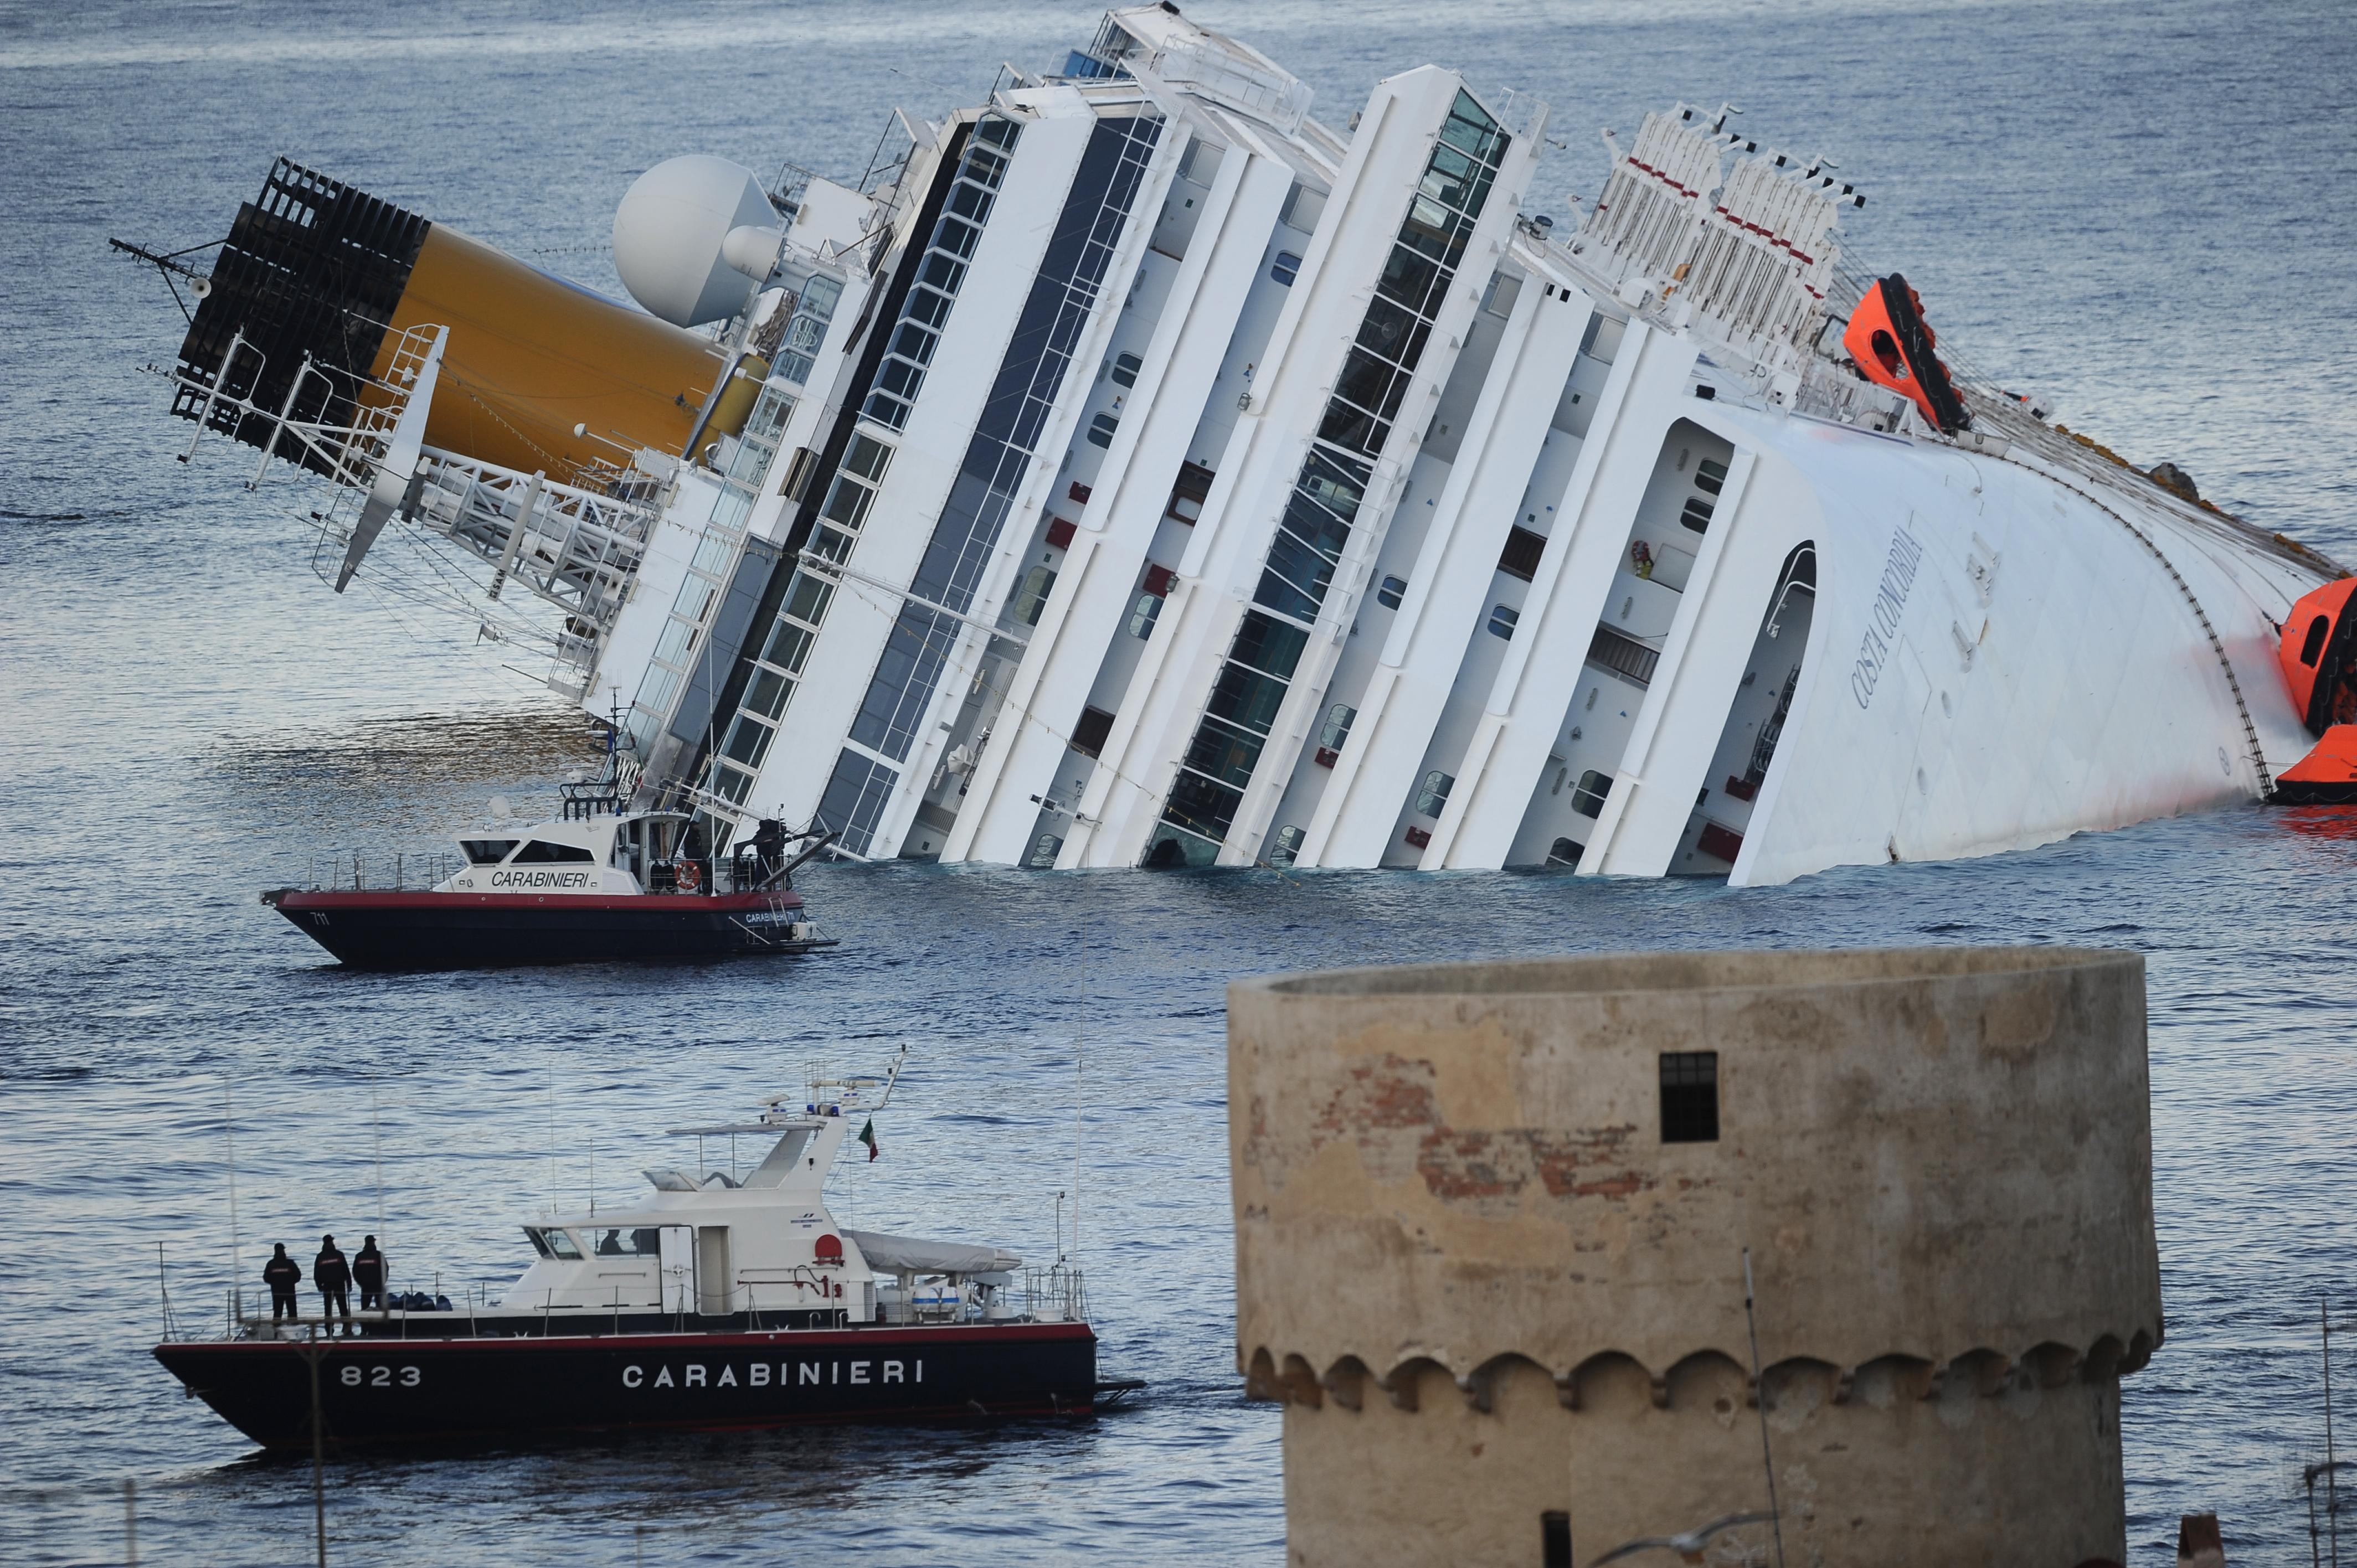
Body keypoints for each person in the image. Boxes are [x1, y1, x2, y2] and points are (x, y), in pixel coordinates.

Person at [314, 1234, 352, 1334]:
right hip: (338, 1284)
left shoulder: (321, 1257)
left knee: (329, 1309)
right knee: (342, 1308)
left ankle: (330, 1330)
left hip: (328, 1286)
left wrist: (319, 1285)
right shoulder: (339, 1255)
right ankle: (346, 1328)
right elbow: (346, 1271)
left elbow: (316, 1274)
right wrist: (349, 1283)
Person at [263, 1244, 302, 1322]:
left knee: (277, 1313)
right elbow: (298, 1276)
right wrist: (291, 1283)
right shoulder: (290, 1263)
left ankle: (276, 1332)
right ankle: (293, 1330)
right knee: (292, 1313)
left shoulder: (271, 1264)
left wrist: (275, 1283)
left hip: (277, 1292)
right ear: (283, 1251)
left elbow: (266, 1278)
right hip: (290, 1291)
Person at [353, 1235, 386, 1314]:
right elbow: (386, 1270)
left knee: (364, 1309)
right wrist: (382, 1282)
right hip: (378, 1285)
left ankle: (365, 1325)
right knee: (381, 1310)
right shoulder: (379, 1255)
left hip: (366, 1286)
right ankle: (382, 1325)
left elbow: (355, 1272)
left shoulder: (359, 1256)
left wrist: (361, 1283)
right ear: (373, 1242)